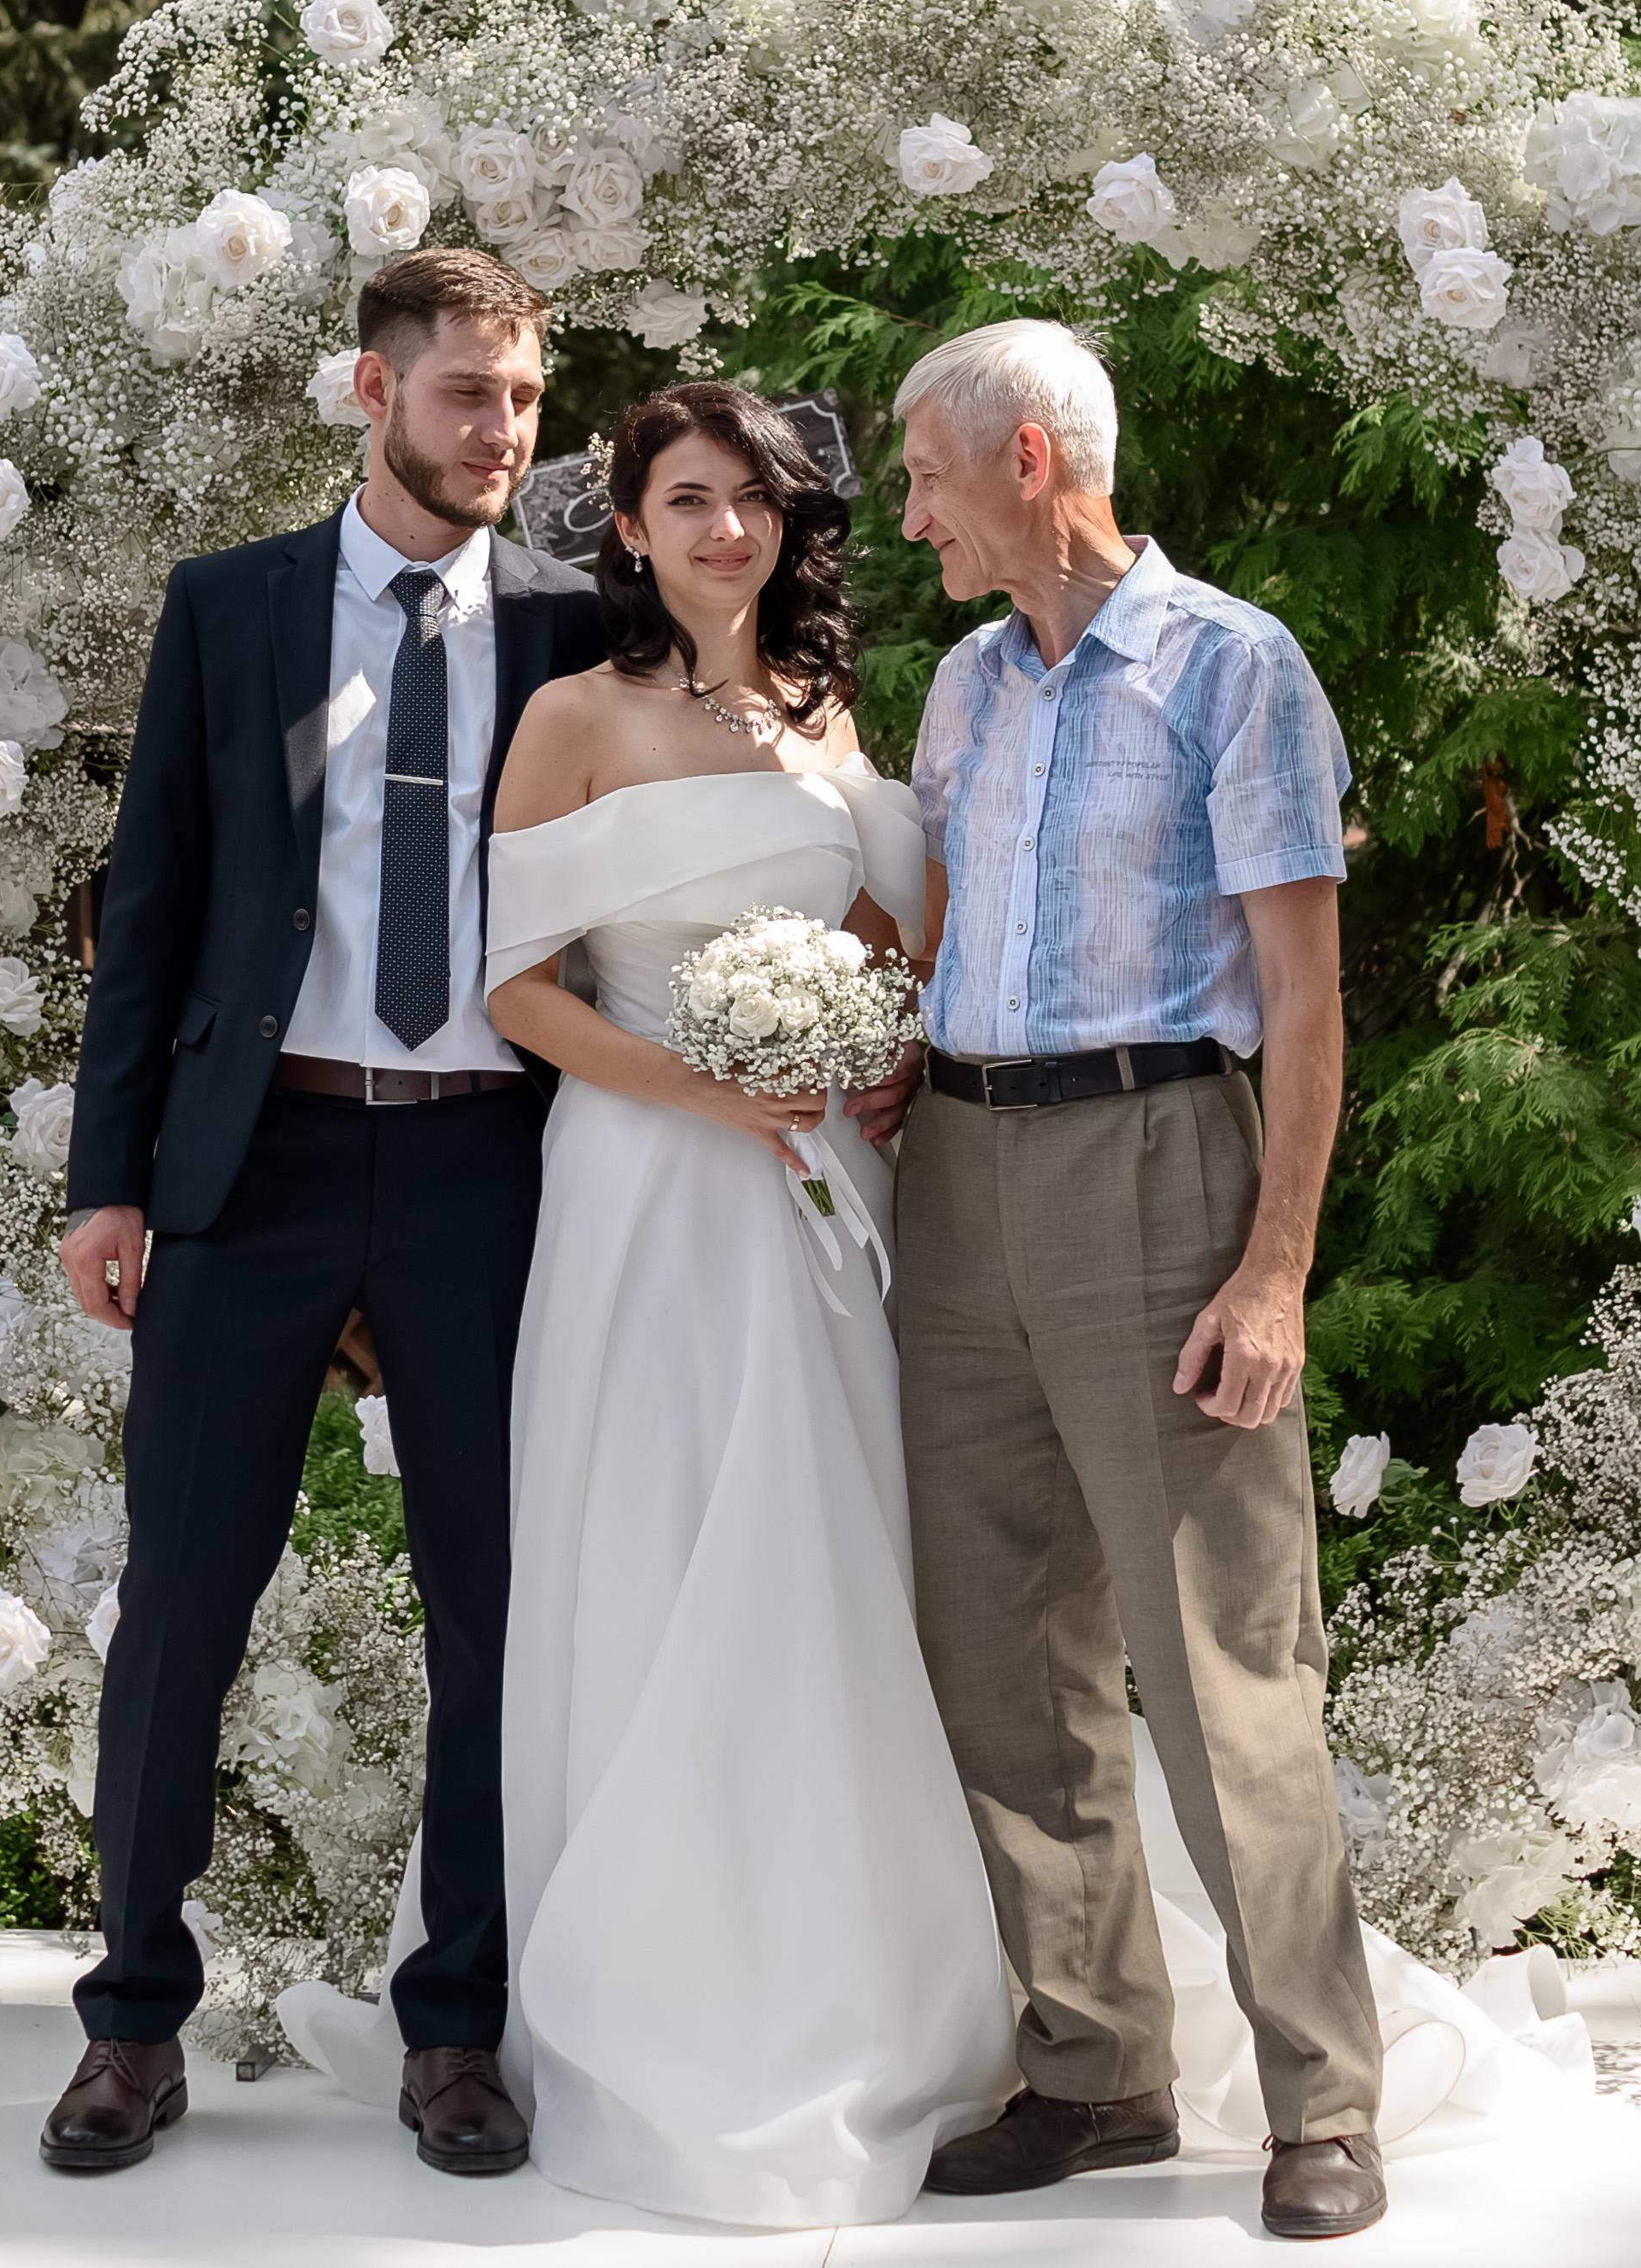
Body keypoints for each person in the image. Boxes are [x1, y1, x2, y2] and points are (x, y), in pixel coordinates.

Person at [44, 246, 605, 2181]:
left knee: (497, 1614)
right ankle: (131, 2021)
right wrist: (108, 1179)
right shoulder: (236, 609)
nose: (505, 436)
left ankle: (457, 2031)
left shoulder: (571, 622)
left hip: (491, 1167)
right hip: (251, 1163)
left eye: (526, 401)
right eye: (472, 398)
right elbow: (157, 905)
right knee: (184, 1606)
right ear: (370, 393)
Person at [471, 384, 1015, 2225]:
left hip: (826, 1188)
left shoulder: (834, 717)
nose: (725, 534)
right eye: (687, 504)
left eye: (755, 506)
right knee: (669, 1539)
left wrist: (869, 1046)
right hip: (649, 1187)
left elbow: (890, 932)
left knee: (835, 1540)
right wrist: (712, 1090)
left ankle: (862, 1964)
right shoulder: (573, 716)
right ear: (624, 526)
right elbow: (518, 990)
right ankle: (671, 1986)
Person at [884, 317, 1389, 2244]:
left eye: (928, 474)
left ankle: (1323, 2104)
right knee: (1000, 1652)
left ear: (1024, 459)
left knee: (1222, 1669)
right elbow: (923, 930)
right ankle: (1096, 2071)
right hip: (958, 1174)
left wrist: (1275, 1269)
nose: (908, 512)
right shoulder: (961, 686)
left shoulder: (1229, 665)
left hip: (1159, 1160)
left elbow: (1307, 996)